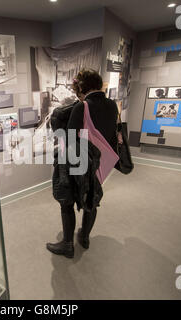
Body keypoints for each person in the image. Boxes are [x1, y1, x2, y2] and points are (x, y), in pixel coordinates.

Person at [46, 69, 118, 258]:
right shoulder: (112, 105)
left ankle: (67, 244)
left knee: (66, 201)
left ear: (81, 88)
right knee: (92, 199)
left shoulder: (82, 107)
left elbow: (68, 140)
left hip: (79, 162)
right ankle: (84, 237)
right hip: (101, 164)